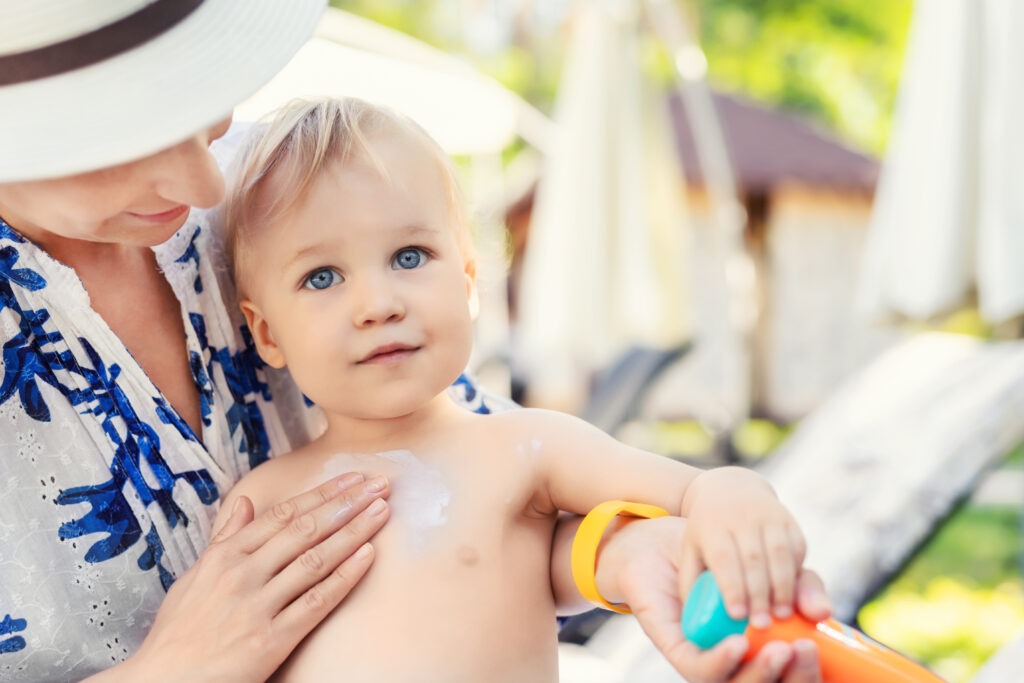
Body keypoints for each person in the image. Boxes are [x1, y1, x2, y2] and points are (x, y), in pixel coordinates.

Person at [0, 2, 829, 681]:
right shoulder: (266, 496)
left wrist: (621, 551)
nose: (207, 184)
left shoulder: (286, 184)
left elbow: (495, 525)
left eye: (206, 112)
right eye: (122, 140)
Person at [217, 96, 815, 682]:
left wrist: (738, 499)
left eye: (408, 256)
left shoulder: (527, 446)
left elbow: (697, 492)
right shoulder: (264, 503)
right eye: (322, 277)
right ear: (268, 333)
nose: (378, 304)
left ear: (471, 282)